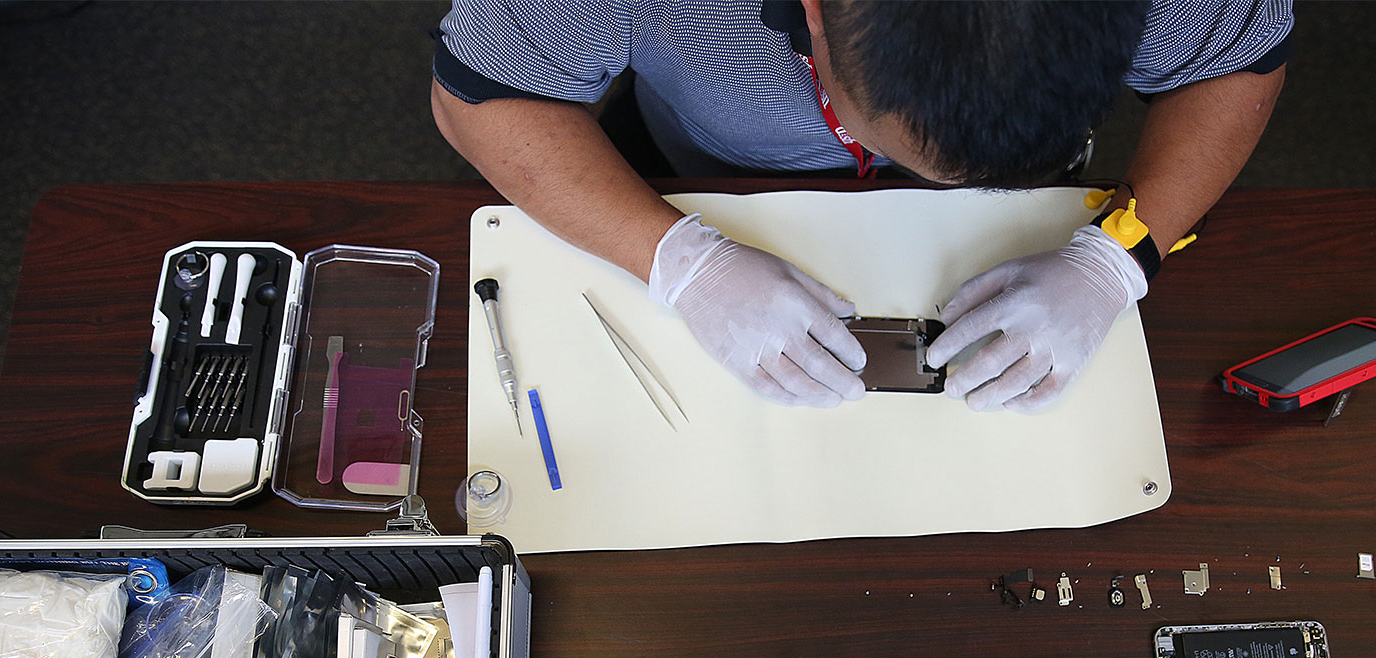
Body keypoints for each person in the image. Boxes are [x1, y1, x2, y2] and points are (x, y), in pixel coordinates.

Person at [431, 0, 1292, 410]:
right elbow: (477, 96)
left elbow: (1234, 68)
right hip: (706, 169)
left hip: (1045, 203)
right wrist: (674, 259)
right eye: (872, 131)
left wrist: (1117, 257)